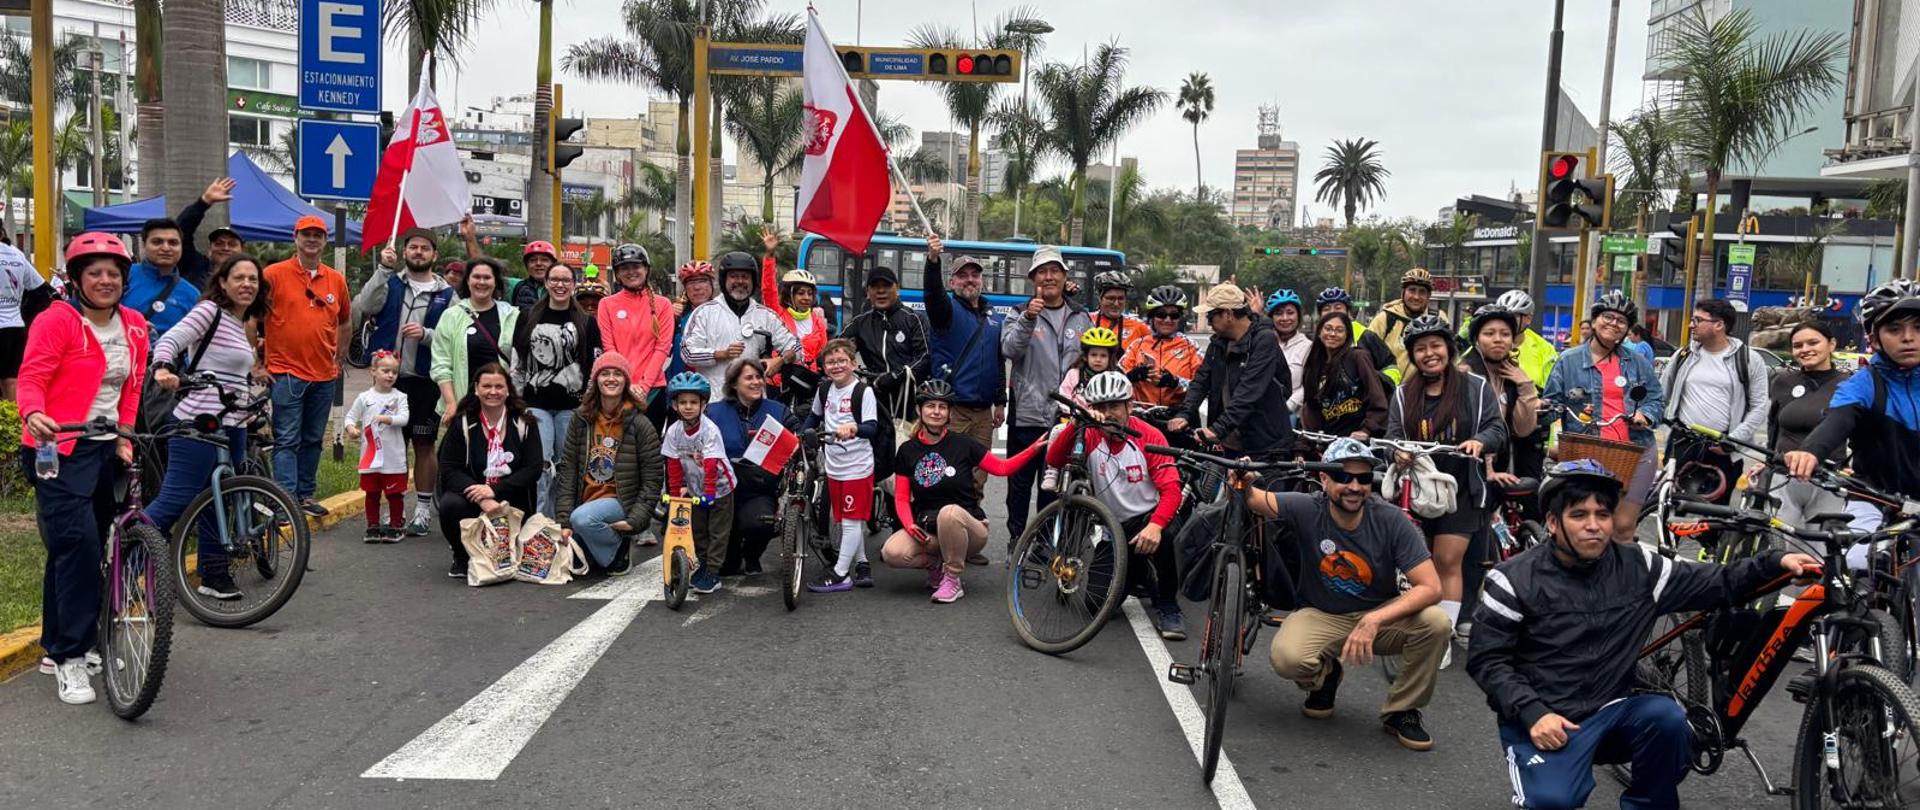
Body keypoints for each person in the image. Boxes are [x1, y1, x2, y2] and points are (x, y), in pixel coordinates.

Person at [1467, 460, 1817, 809]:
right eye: (1579, 515)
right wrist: (1532, 713)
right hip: (1547, 718)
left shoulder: (1640, 567)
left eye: (1602, 515)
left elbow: (1717, 581)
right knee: (1553, 800)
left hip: (1613, 711)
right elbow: (1487, 660)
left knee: (1668, 719)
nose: (1594, 526)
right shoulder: (1512, 579)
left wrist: (1776, 563)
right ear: (1554, 523)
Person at [1237, 437, 1449, 751]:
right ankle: (1326, 676)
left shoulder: (1390, 520)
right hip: (1321, 613)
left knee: (1437, 623)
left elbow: (1431, 587)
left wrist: (1374, 620)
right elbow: (1255, 500)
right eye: (1343, 477)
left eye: (1364, 478)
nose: (1354, 486)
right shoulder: (1307, 507)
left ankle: (1402, 710)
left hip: (1379, 615)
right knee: (1287, 658)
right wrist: (1242, 480)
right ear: (1324, 479)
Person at [18, 232, 149, 705]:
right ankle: (72, 657)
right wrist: (33, 412)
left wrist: (126, 438)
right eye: (94, 272)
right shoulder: (58, 320)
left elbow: (131, 387)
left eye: (113, 273)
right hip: (58, 446)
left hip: (104, 449)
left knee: (78, 551)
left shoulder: (134, 325)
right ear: (75, 279)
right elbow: (32, 376)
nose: (105, 280)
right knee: (79, 545)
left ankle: (59, 646)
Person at [1385, 314, 1506, 669]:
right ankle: (1415, 628)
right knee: (1417, 565)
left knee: (1447, 561)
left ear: (1449, 349)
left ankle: (1443, 635)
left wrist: (1479, 441)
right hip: (1417, 488)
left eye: (1435, 346)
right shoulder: (1403, 395)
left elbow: (1496, 429)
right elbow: (1391, 435)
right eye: (1420, 349)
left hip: (1462, 488)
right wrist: (1396, 451)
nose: (1429, 354)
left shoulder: (1476, 388)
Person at [147, 253, 271, 596]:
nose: (247, 284)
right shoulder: (209, 312)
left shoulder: (240, 321)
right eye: (239, 278)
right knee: (178, 497)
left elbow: (235, 372)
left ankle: (214, 576)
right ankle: (127, 556)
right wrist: (162, 368)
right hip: (199, 418)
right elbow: (172, 339)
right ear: (222, 282)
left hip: (234, 420)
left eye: (253, 279)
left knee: (219, 498)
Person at [1044, 370, 1188, 638]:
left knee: (1165, 535)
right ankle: (1137, 571)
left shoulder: (1150, 435)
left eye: (1113, 406)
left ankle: (1168, 606)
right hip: (1112, 528)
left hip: (1147, 519)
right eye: (1100, 407)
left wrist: (1155, 526)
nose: (1107, 413)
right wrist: (1079, 424)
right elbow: (1054, 459)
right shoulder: (1089, 434)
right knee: (1094, 606)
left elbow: (1171, 490)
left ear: (1129, 406)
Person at [882, 379, 1045, 603]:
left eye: (942, 407)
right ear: (919, 410)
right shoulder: (908, 450)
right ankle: (936, 567)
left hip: (969, 531)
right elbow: (901, 497)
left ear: (949, 413)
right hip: (929, 529)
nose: (936, 412)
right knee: (892, 552)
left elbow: (1002, 468)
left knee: (949, 513)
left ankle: (953, 579)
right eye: (930, 406)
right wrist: (909, 525)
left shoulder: (963, 444)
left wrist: (1033, 449)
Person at [1541, 291, 1666, 544]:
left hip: (1636, 450)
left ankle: (1620, 580)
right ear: (1595, 321)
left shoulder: (1638, 362)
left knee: (1621, 526)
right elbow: (1551, 404)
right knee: (1585, 525)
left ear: (1628, 329)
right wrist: (1537, 408)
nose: (1613, 324)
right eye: (1607, 317)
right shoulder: (1568, 360)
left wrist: (1645, 415)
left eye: (1622, 321)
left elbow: (1657, 400)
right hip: (1586, 452)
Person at [356, 227, 457, 536]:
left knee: (425, 445)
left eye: (425, 248)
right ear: (404, 252)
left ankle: (423, 510)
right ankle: (394, 509)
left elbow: (453, 336)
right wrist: (383, 269)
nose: (418, 252)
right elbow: (364, 306)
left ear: (434, 255)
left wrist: (426, 335)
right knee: (387, 446)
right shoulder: (390, 281)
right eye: (413, 247)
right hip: (389, 383)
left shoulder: (447, 294)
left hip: (425, 381)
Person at [1787, 279, 1920, 500]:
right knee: (1857, 534)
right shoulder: (1862, 384)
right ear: (1874, 340)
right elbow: (1837, 420)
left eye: (1919, 327)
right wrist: (1809, 451)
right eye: (1894, 329)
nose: (1908, 337)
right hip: (1874, 501)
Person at [1002, 246, 1093, 543]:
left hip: (1065, 417)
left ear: (1065, 277)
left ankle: (1042, 542)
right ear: (1033, 278)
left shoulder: (1081, 315)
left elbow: (1091, 359)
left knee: (1052, 483)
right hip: (1027, 413)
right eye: (1042, 271)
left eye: (1055, 271)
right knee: (1019, 483)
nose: (1049, 276)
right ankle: (1017, 537)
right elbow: (1009, 350)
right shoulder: (1018, 312)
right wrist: (1029, 317)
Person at [261, 214, 350, 517]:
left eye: (318, 235)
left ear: (325, 241)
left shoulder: (335, 279)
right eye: (306, 234)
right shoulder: (273, 274)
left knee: (313, 439)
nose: (312, 239)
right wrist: (255, 362)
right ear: (295, 238)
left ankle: (305, 495)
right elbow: (250, 317)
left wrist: (340, 355)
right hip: (285, 372)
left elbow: (345, 320)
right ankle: (285, 501)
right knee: (287, 439)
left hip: (324, 374)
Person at [554, 351, 662, 575]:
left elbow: (653, 478)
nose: (611, 379)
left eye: (617, 374)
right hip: (585, 498)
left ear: (626, 381)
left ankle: (619, 547)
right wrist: (564, 521)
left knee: (583, 519)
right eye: (605, 374)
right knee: (580, 556)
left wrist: (637, 521)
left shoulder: (640, 423)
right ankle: (600, 551)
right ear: (595, 381)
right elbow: (568, 470)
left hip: (620, 500)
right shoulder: (580, 419)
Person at [1660, 298, 1771, 516]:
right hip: (1683, 443)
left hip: (1724, 447)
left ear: (1719, 325)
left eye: (1698, 320)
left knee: (1716, 516)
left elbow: (1759, 406)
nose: (1692, 325)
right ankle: (1667, 547)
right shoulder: (1684, 355)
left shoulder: (1749, 359)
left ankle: (1710, 549)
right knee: (1671, 510)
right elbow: (1663, 393)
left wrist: (1732, 441)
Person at [920, 235, 1008, 501]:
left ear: (981, 280)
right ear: (952, 282)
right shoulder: (945, 312)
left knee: (977, 480)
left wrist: (1000, 402)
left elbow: (998, 360)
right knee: (947, 477)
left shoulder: (993, 318)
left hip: (983, 415)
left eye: (975, 275)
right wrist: (933, 261)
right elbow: (933, 295)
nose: (970, 280)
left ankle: (967, 532)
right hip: (952, 412)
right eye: (963, 276)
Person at [436, 363, 543, 578]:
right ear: (476, 388)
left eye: (498, 386)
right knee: (449, 505)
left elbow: (533, 469)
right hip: (474, 497)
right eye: (486, 386)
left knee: (513, 558)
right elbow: (449, 469)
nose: (492, 392)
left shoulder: (524, 422)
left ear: (508, 390)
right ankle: (462, 555)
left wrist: (496, 491)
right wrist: (481, 497)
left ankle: (505, 551)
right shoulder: (463, 423)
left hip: (513, 499)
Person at [511, 262, 598, 516]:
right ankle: (540, 523)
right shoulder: (527, 317)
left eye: (566, 280)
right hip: (535, 404)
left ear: (574, 285)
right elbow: (518, 362)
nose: (560, 285)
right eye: (555, 280)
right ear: (546, 283)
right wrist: (516, 401)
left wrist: (587, 402)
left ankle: (564, 520)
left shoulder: (586, 322)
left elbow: (594, 366)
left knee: (567, 466)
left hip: (572, 407)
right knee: (541, 465)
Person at [1168, 282, 1294, 455]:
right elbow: (1201, 381)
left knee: (1261, 482)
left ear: (1228, 314)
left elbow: (1249, 391)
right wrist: (1184, 414)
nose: (1209, 322)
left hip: (1264, 443)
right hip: (1229, 442)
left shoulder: (1264, 340)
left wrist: (1217, 429)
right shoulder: (1217, 343)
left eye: (1211, 316)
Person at [804, 339, 880, 592]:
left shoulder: (862, 391)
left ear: (853, 363)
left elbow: (871, 427)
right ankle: (862, 563)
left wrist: (853, 428)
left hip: (857, 466)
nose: (836, 366)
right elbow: (814, 417)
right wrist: (802, 434)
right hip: (834, 464)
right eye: (830, 362)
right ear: (824, 367)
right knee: (850, 518)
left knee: (849, 520)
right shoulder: (825, 389)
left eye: (842, 361)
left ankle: (840, 574)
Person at [706, 357, 788, 576]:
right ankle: (732, 556)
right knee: (727, 568)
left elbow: (795, 438)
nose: (756, 382)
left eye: (759, 377)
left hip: (759, 489)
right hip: (723, 489)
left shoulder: (778, 411)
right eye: (749, 378)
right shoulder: (713, 412)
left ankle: (752, 554)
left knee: (760, 523)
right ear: (734, 384)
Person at [1766, 321, 1852, 528]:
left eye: (1813, 343)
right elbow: (1773, 428)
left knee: (1821, 550)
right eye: (1798, 345)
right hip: (1783, 477)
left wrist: (1854, 466)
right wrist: (1767, 461)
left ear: (1831, 344)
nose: (1805, 350)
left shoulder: (1850, 384)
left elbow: (1864, 433)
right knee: (1781, 549)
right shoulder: (1782, 381)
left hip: (1828, 479)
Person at [660, 370, 736, 595]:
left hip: (720, 488)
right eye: (682, 402)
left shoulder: (709, 430)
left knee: (717, 532)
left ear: (703, 404)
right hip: (695, 488)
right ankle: (702, 565)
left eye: (694, 402)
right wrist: (674, 495)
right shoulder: (674, 432)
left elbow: (711, 463)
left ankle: (713, 571)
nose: (688, 406)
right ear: (674, 405)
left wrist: (710, 493)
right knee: (698, 530)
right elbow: (673, 464)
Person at [124, 217, 203, 431]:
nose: (166, 248)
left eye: (173, 243)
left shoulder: (192, 294)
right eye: (157, 242)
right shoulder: (123, 277)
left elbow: (196, 342)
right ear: (144, 244)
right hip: (120, 371)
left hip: (166, 379)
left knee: (160, 440)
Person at [682, 251, 800, 393]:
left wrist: (780, 360)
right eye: (733, 277)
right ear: (723, 280)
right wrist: (721, 354)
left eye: (745, 277)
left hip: (754, 402)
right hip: (714, 400)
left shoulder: (766, 315)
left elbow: (796, 347)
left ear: (753, 281)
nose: (740, 281)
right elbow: (687, 353)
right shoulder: (704, 313)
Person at [430, 257, 521, 421]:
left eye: (487, 277)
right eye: (476, 277)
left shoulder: (512, 315)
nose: (482, 282)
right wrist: (451, 403)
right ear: (467, 281)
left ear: (495, 282)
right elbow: (441, 364)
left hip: (501, 404)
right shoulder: (451, 316)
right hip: (464, 404)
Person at [841, 258, 930, 426]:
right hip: (874, 402)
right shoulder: (860, 322)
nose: (881, 291)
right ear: (867, 291)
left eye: (887, 286)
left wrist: (895, 376)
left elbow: (924, 357)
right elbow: (835, 351)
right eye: (875, 287)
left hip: (908, 404)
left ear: (897, 289)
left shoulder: (914, 319)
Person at [1461, 304, 1541, 488]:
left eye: (1505, 334)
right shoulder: (1464, 374)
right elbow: (1474, 427)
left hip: (1504, 465)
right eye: (1489, 334)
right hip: (1469, 468)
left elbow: (1523, 429)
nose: (1498, 340)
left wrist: (1526, 386)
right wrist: (1488, 469)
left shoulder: (1514, 374)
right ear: (1476, 339)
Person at [596, 244, 676, 423]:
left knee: (649, 449)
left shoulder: (663, 305)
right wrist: (625, 384)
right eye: (624, 268)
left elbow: (662, 348)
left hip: (653, 390)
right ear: (617, 273)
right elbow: (609, 348)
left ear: (646, 269)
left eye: (636, 267)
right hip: (617, 389)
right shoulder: (606, 304)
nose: (631, 272)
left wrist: (644, 387)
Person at [1039, 326, 1122, 492]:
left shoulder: (1116, 376)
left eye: (1103, 356)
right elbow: (1064, 394)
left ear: (1110, 358)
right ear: (1085, 356)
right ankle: (1052, 471)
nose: (1098, 359)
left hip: (1102, 425)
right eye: (1094, 355)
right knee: (1057, 431)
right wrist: (1073, 412)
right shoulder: (1074, 374)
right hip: (1076, 420)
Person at [343, 352, 410, 543]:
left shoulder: (400, 397)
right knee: (372, 493)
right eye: (385, 371)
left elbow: (404, 419)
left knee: (394, 494)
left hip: (393, 458)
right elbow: (350, 416)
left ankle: (396, 525)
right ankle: (372, 525)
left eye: (394, 372)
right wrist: (351, 428)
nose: (390, 375)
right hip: (370, 458)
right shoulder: (364, 397)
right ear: (373, 371)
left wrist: (386, 418)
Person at [758, 230, 829, 402]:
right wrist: (770, 254)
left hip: (806, 387)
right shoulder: (777, 313)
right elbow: (768, 289)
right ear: (790, 295)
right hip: (778, 385)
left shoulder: (817, 321)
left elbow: (823, 353)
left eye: (809, 294)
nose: (806, 298)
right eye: (800, 293)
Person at [1494, 289, 1557, 482]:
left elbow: (1554, 392)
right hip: (1493, 424)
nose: (1507, 321)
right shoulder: (1486, 342)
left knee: (1529, 485)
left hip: (1531, 425)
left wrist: (1541, 402)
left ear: (1528, 319)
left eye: (1514, 316)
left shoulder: (1544, 349)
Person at [1301, 310, 1390, 441]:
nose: (1332, 334)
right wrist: (1304, 446)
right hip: (1328, 440)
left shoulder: (1358, 357)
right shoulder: (1313, 366)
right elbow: (1311, 409)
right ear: (1319, 332)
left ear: (1347, 335)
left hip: (1358, 440)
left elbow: (1377, 399)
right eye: (1328, 328)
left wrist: (1367, 430)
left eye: (1339, 330)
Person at [1122, 284, 1203, 410]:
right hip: (1143, 415)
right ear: (1152, 317)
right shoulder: (1137, 345)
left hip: (1178, 416)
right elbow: (1117, 379)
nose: (1167, 319)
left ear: (1180, 318)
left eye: (1174, 315)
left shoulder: (1191, 346)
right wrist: (1133, 376)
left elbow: (1202, 386)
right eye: (1161, 314)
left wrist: (1175, 382)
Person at [1369, 268, 1448, 380]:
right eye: (1412, 290)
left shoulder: (1438, 318)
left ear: (1429, 296)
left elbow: (1450, 355)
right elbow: (1366, 354)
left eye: (1422, 292)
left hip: (1427, 390)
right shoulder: (1385, 318)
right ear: (1403, 293)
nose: (1416, 297)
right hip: (1389, 391)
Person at [1316, 285, 1400, 387]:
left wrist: (1377, 382)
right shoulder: (1316, 340)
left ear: (1348, 313)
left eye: (1338, 308)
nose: (1333, 312)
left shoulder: (1365, 336)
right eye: (1327, 309)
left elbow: (1390, 366)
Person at [0, 223, 48, 400]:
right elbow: (39, 286)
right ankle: (13, 422)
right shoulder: (18, 255)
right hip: (16, 326)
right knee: (11, 380)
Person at [173, 177, 241, 288]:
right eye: (219, 243)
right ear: (210, 250)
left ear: (242, 250)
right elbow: (181, 231)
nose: (226, 248)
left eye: (232, 244)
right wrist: (204, 202)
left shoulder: (250, 276)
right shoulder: (195, 267)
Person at [1264, 289, 1313, 416]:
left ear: (1298, 316)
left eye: (1290, 313)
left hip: (1292, 415)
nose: (1285, 318)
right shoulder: (1263, 344)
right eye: (1279, 313)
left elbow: (1309, 384)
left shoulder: (1308, 346)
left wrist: (1288, 406)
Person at [1089, 270, 1149, 349]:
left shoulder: (1138, 326)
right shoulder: (1086, 320)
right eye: (1111, 298)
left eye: (1121, 298)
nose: (1116, 304)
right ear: (1099, 298)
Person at [509, 240, 558, 309]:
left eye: (544, 260)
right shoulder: (516, 286)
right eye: (533, 260)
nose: (538, 263)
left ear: (553, 264)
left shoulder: (563, 288)